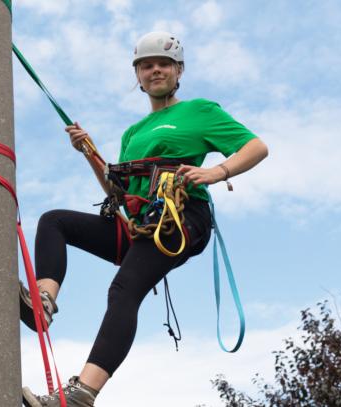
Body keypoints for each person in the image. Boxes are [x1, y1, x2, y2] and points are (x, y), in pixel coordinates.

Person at [18, 31, 269, 407]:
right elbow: (117, 194)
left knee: (124, 289)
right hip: (140, 223)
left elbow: (256, 147)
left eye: (164, 64)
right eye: (147, 66)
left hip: (180, 217)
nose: (156, 71)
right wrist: (89, 153)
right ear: (137, 75)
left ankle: (82, 393)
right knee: (55, 221)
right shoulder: (132, 133)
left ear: (179, 70)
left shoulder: (199, 111)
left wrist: (217, 172)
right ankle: (43, 304)